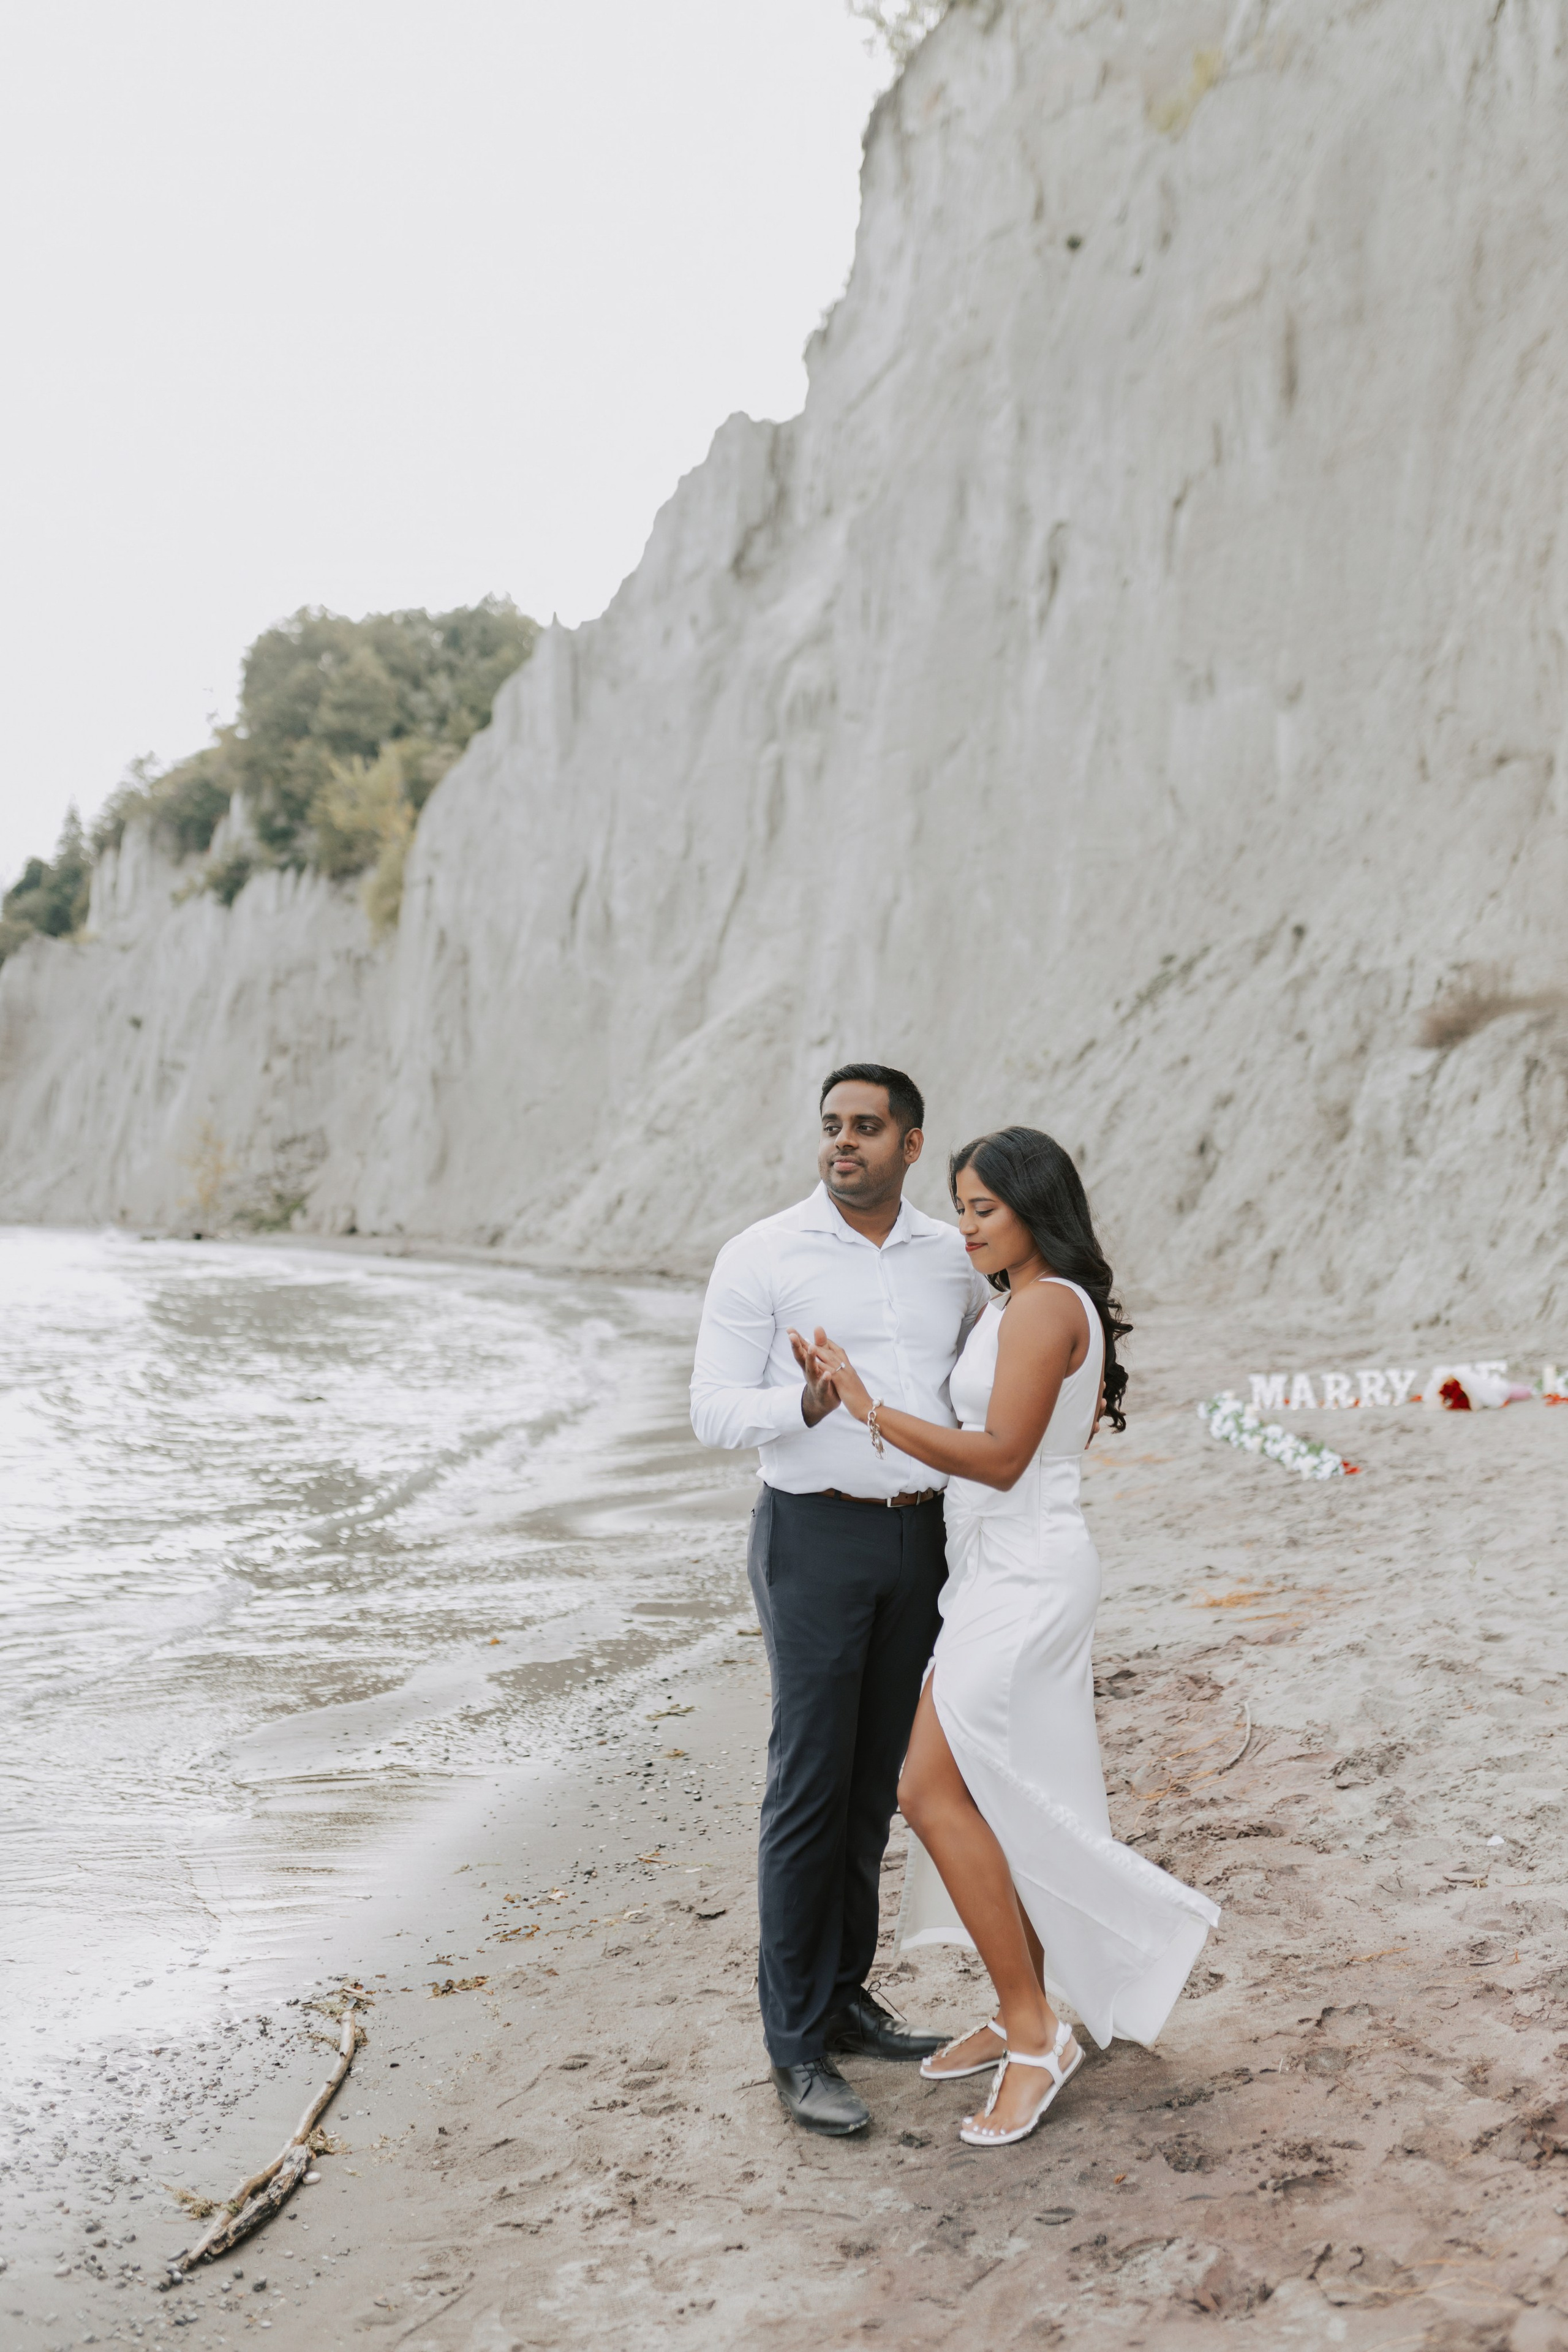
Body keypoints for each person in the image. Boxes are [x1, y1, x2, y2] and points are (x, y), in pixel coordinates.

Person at [803, 1127, 1219, 2147]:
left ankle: (1038, 2036)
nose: (968, 1226)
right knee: (999, 1785)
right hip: (991, 1570)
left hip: (1028, 1570)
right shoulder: (1011, 1306)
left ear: (1039, 1205)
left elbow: (997, 1459)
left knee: (926, 1787)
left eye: (985, 1207)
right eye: (961, 1208)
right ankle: (1017, 2002)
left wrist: (869, 1406)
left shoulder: (1044, 1307)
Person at [689, 1063, 989, 2136]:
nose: (843, 1143)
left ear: (912, 1143)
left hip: (924, 1537)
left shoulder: (952, 1257)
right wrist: (803, 1399)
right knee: (809, 1782)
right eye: (832, 1127)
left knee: (878, 1780)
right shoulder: (764, 1254)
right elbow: (714, 1412)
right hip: (813, 1536)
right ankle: (796, 2043)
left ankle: (849, 1997)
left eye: (868, 1128)